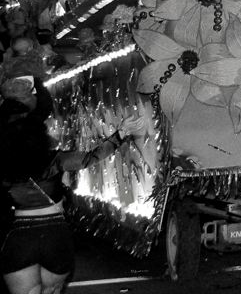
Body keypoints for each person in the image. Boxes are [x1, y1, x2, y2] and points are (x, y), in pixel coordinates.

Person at [0, 112, 144, 294]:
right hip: (55, 235)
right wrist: (121, 133)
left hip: (20, 239)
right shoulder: (56, 159)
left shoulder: (4, 168)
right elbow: (91, 158)